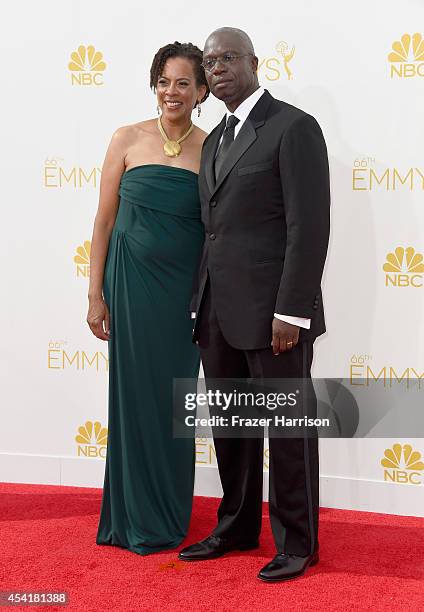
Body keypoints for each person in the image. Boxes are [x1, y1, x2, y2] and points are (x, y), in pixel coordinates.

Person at [178, 28, 330, 582]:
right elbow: (213, 232)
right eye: (210, 60)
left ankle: (298, 540)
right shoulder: (215, 138)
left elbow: (308, 226)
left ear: (254, 63)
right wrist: (200, 303)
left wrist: (293, 311)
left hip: (275, 316)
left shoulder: (293, 127)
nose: (217, 67)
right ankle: (238, 525)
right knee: (231, 428)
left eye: (228, 57)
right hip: (218, 311)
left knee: (288, 431)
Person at [87, 41, 209, 555]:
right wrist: (94, 293)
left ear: (202, 91)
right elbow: (104, 220)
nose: (171, 92)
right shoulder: (126, 139)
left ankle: (168, 511)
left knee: (174, 399)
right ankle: (132, 514)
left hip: (184, 295)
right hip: (131, 287)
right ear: (153, 86)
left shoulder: (214, 145)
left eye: (183, 83)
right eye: (164, 81)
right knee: (135, 398)